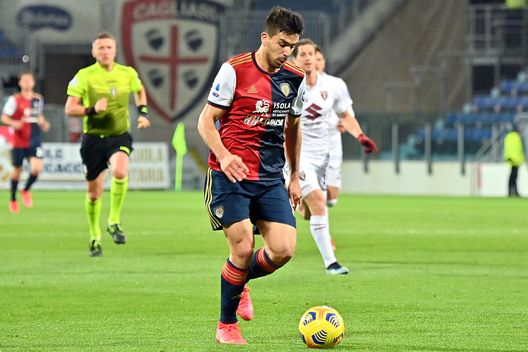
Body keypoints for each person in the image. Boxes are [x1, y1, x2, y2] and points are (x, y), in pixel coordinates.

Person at [197, 6, 305, 345]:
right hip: (230, 175)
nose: (286, 52)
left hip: (271, 177)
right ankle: (226, 325)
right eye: (282, 43)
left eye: (292, 46)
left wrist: (295, 176)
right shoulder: (234, 70)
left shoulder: (294, 78)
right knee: (243, 245)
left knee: (284, 249)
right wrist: (225, 156)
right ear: (265, 38)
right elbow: (205, 121)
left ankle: (240, 281)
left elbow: (293, 126)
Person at [290, 39, 378, 275]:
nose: (308, 58)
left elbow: (345, 115)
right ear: (294, 59)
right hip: (299, 154)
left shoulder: (335, 85)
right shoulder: (287, 84)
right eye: (303, 55)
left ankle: (303, 207)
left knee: (324, 202)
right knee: (319, 201)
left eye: (311, 53)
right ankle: (331, 263)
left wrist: (360, 136)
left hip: (325, 154)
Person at [64, 32, 150, 257]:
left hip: (119, 136)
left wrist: (142, 113)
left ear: (115, 50)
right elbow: (69, 108)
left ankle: (114, 220)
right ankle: (95, 237)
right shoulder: (84, 76)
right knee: (94, 194)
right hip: (92, 139)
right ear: (93, 52)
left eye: (108, 47)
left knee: (121, 171)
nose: (105, 51)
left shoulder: (127, 73)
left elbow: (140, 91)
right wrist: (92, 109)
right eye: (100, 48)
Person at [1, 70, 50, 213]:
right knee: (17, 170)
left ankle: (25, 190)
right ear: (20, 82)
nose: (27, 82)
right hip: (19, 140)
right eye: (25, 80)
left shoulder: (38, 99)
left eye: (30, 80)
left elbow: (38, 115)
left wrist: (44, 123)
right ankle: (13, 199)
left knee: (37, 168)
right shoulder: (14, 99)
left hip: (34, 139)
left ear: (34, 82)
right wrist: (14, 123)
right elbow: (4, 117)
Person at [504, 124, 525, 197]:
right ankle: (513, 191)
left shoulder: (509, 136)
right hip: (515, 159)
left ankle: (512, 191)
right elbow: (518, 149)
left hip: (512, 159)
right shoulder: (516, 137)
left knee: (513, 175)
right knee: (513, 176)